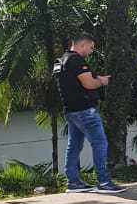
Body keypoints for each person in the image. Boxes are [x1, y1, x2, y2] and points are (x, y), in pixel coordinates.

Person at [52, 33, 124, 194]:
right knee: (100, 143)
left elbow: (73, 83)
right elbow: (89, 84)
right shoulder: (75, 60)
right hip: (85, 110)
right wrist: (102, 81)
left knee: (74, 145)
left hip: (71, 110)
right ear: (82, 45)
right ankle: (104, 182)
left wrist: (94, 78)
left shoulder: (60, 60)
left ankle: (73, 182)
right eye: (91, 47)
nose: (91, 51)